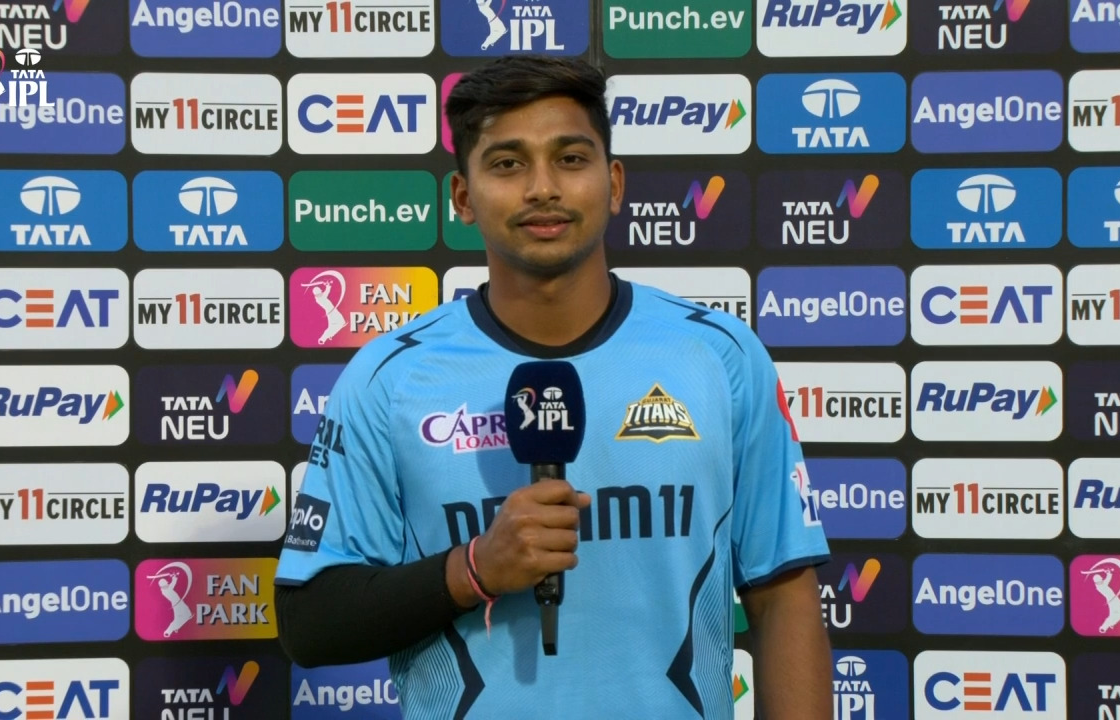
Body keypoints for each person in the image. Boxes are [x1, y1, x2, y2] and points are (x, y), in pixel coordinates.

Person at [275, 55, 833, 719]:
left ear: (614, 183)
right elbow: (310, 621)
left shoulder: (719, 357)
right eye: (508, 163)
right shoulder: (389, 379)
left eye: (570, 158)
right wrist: (475, 568)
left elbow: (783, 596)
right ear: (462, 198)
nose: (543, 187)